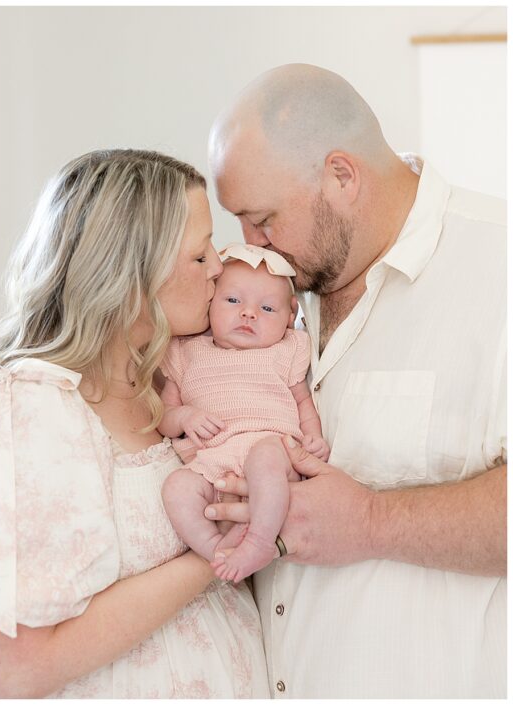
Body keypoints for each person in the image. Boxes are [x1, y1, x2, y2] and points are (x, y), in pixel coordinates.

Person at [205, 63, 506, 697]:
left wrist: (373, 521)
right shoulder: (262, 293)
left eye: (262, 219)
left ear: (342, 176)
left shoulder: (497, 267)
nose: (250, 247)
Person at [0, 149, 269, 698]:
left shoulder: (163, 382)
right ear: (130, 275)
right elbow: (20, 664)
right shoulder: (39, 404)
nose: (218, 266)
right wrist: (229, 550)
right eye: (198, 255)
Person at [160, 244, 329, 584]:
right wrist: (185, 417)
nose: (249, 314)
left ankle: (259, 540)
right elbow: (165, 416)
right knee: (177, 488)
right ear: (210, 303)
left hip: (271, 445)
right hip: (213, 458)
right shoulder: (186, 353)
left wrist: (313, 439)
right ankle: (218, 550)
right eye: (233, 301)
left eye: (267, 308)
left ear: (289, 317)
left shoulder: (286, 351)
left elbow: (303, 402)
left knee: (265, 461)